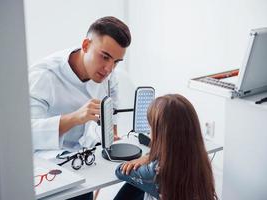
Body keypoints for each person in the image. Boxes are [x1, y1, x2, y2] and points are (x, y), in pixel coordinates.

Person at [29, 16, 131, 200]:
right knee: (81, 193)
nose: (109, 68)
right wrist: (75, 118)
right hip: (48, 160)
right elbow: (25, 135)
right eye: (105, 56)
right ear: (85, 45)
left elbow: (112, 105)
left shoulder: (106, 73)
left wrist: (112, 134)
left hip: (84, 154)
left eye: (116, 61)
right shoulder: (43, 76)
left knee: (139, 177)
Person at [114, 94, 218, 200]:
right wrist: (148, 157)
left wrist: (148, 158)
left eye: (151, 128)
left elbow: (119, 172)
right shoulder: (199, 160)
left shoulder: (155, 170)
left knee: (132, 186)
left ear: (160, 134)